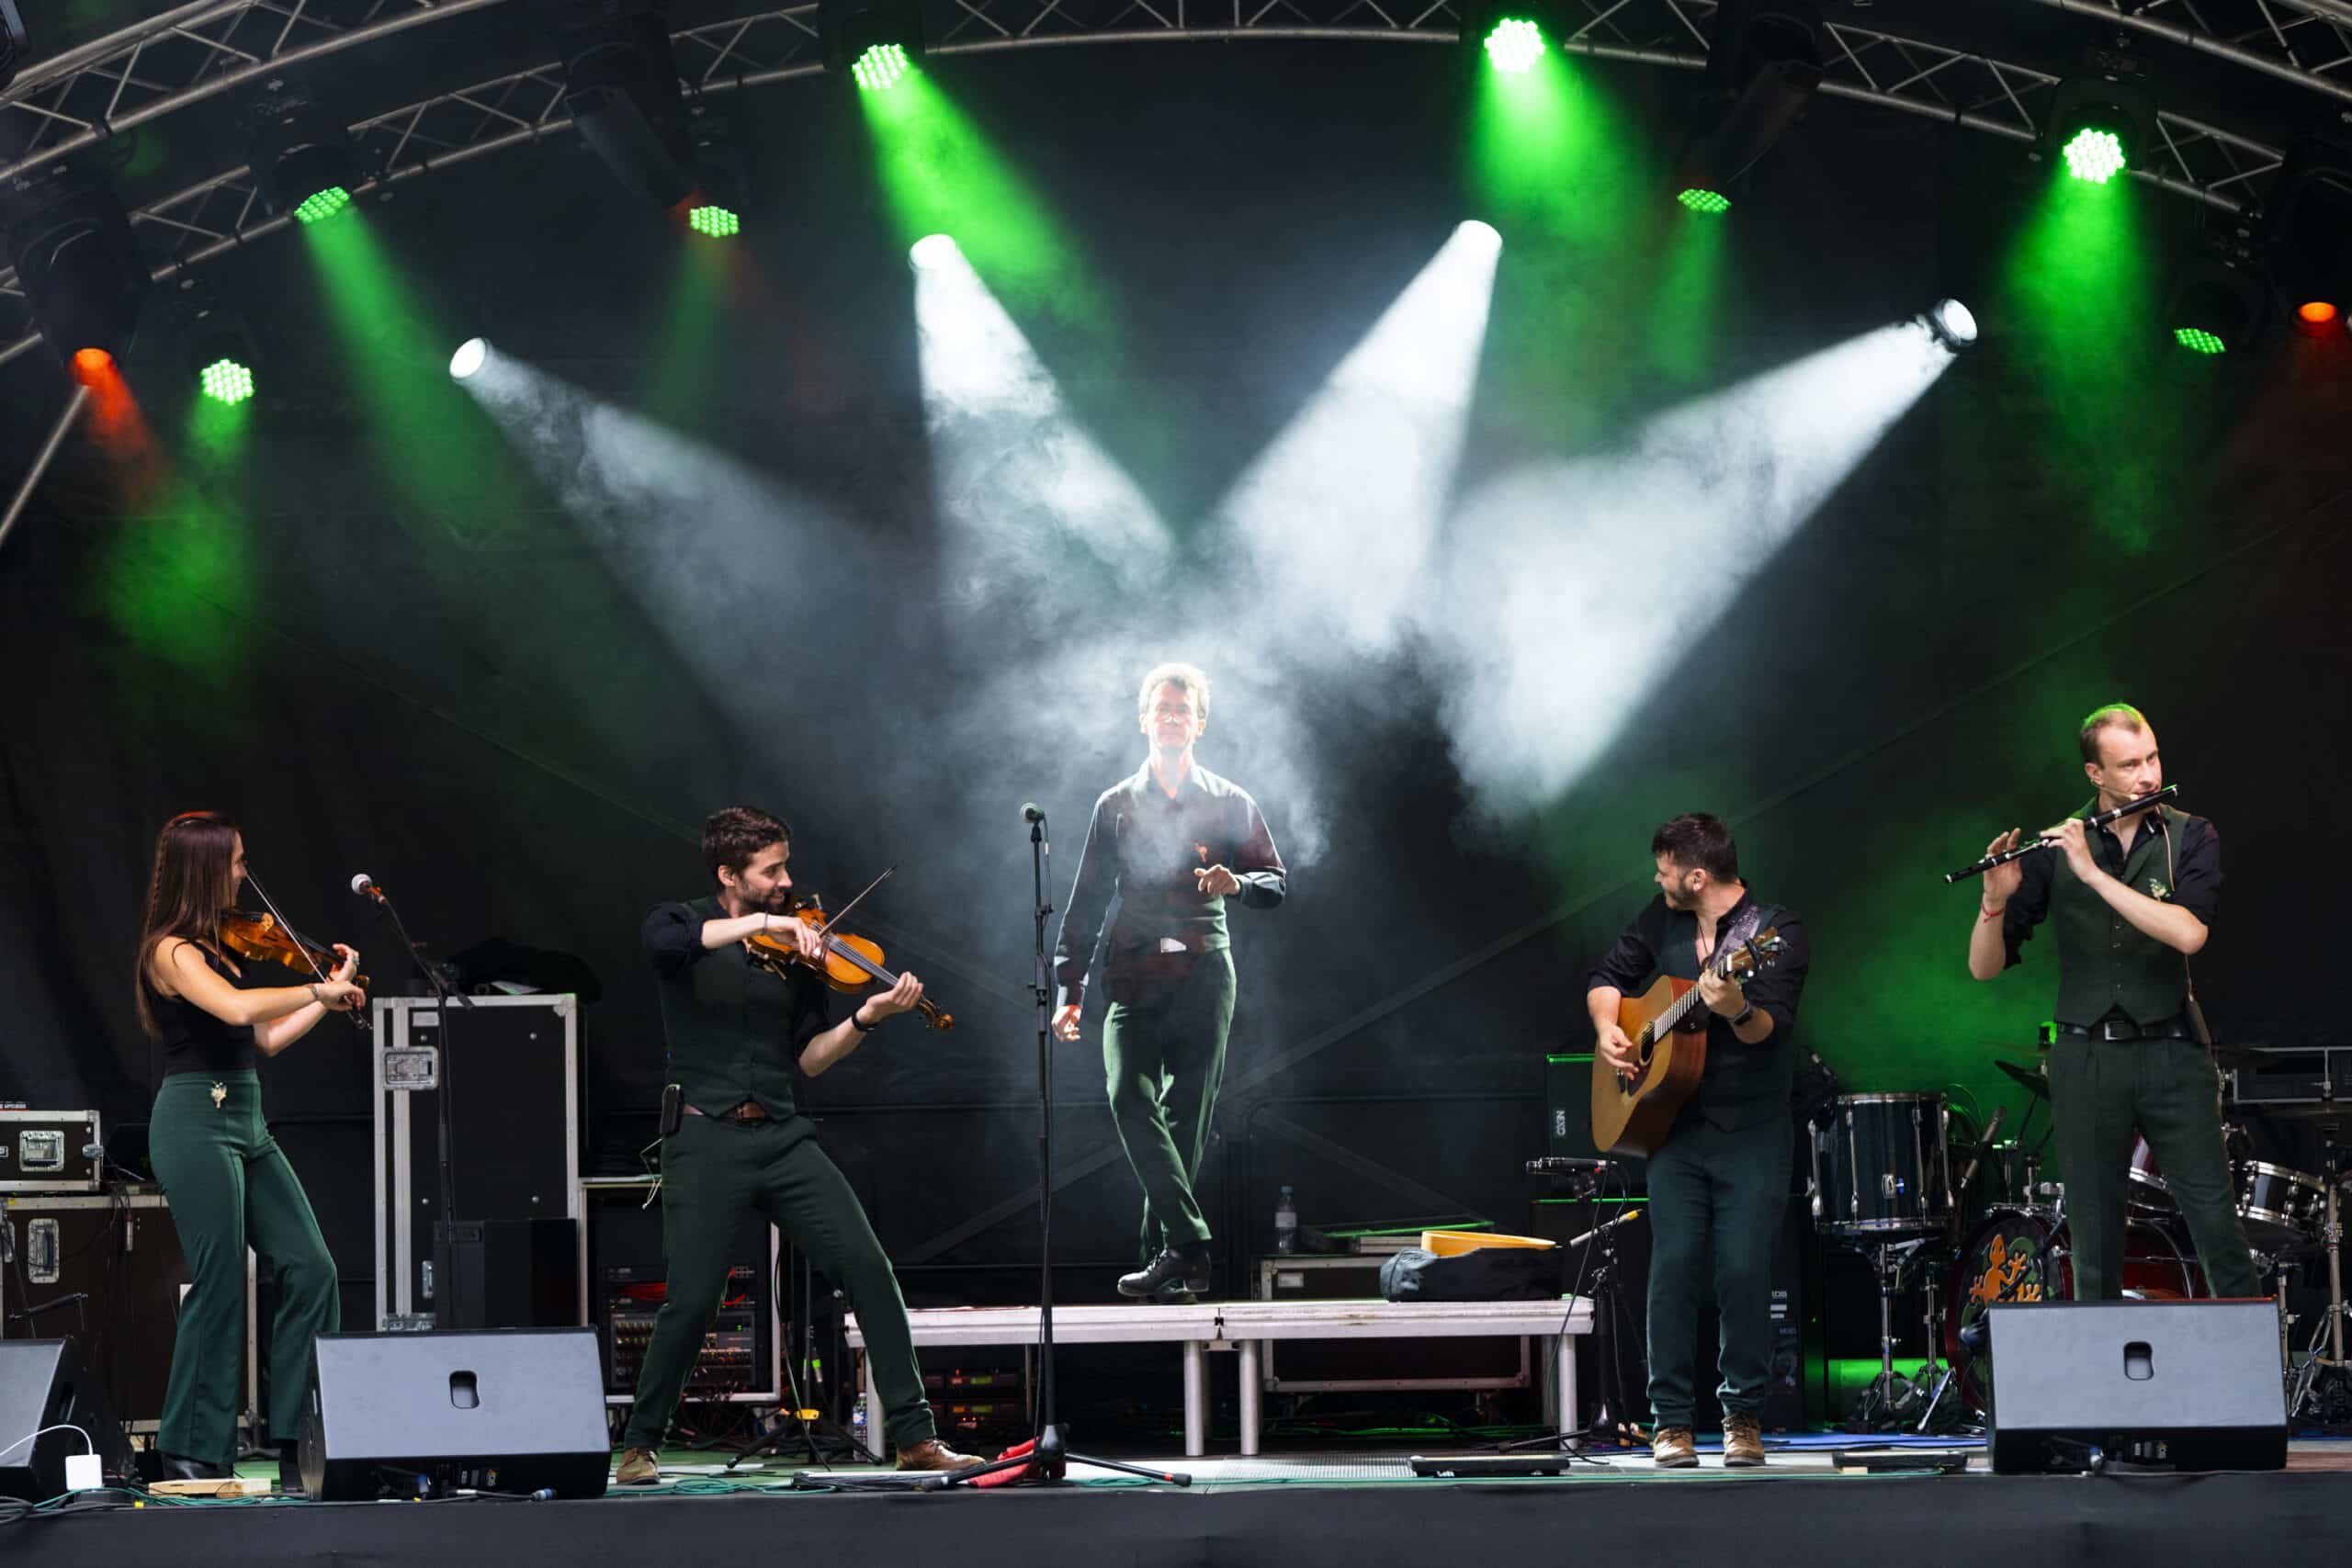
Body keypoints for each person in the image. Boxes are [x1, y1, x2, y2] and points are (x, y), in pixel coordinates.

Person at [614, 807, 979, 1484]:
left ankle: (915, 1437)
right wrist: (763, 923)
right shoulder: (680, 922)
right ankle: (640, 1443)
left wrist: (867, 1015)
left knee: (869, 1269)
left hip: (782, 1137)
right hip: (704, 1135)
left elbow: (809, 1058)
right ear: (730, 875)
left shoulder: (802, 952)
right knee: (692, 1300)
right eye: (771, 871)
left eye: (786, 867)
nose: (786, 883)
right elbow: (667, 947)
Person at [1966, 703, 2257, 1303]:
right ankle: (2101, 1362)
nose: (2149, 775)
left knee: (2217, 1228)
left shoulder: (2191, 834)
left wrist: (2095, 875)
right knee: (2092, 1242)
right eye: (2130, 765)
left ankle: (2249, 1359)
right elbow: (1983, 967)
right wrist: (1993, 901)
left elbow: (2189, 934)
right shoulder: (2056, 845)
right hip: (2086, 1057)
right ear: (2095, 774)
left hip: (2174, 1051)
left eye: (2152, 758)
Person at [133, 811, 361, 1493]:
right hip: (193, 1121)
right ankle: (190, 1447)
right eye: (236, 861)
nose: (243, 872)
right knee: (221, 1277)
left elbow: (262, 1039)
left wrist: (329, 997)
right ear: (205, 866)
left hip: (246, 1117)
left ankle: (297, 1439)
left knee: (311, 1268)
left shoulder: (222, 951)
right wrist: (316, 986)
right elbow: (236, 1009)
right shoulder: (171, 952)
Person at [1053, 662, 1286, 1303]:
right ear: (1144, 720)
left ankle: (1167, 1262)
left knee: (1187, 1117)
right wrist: (1070, 992)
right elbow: (1084, 903)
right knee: (1127, 1091)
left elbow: (1275, 882)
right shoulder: (1115, 804)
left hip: (1204, 972)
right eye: (1163, 708)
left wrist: (1238, 882)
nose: (1173, 717)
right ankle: (1189, 1244)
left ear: (1200, 724)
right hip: (1133, 973)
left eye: (1184, 709)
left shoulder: (1230, 800)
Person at [1589, 813, 1810, 1470]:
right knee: (1673, 1268)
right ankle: (1671, 1421)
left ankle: (1742, 1414)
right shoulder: (1662, 920)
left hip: (1752, 1130)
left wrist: (1735, 1007)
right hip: (1674, 1127)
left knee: (1743, 1271)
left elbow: (1769, 1030)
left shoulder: (1775, 933)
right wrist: (1611, 1029)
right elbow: (1607, 978)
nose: (1657, 881)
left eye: (1664, 872)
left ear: (1696, 877)